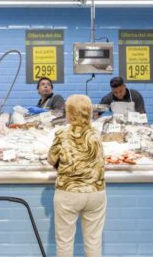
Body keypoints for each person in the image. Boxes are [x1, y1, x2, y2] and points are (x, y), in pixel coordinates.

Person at [48, 95, 106, 257]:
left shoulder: (62, 134)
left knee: (65, 242)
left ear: (69, 113)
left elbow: (51, 159)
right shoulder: (96, 135)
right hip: (96, 193)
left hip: (68, 193)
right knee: (94, 241)